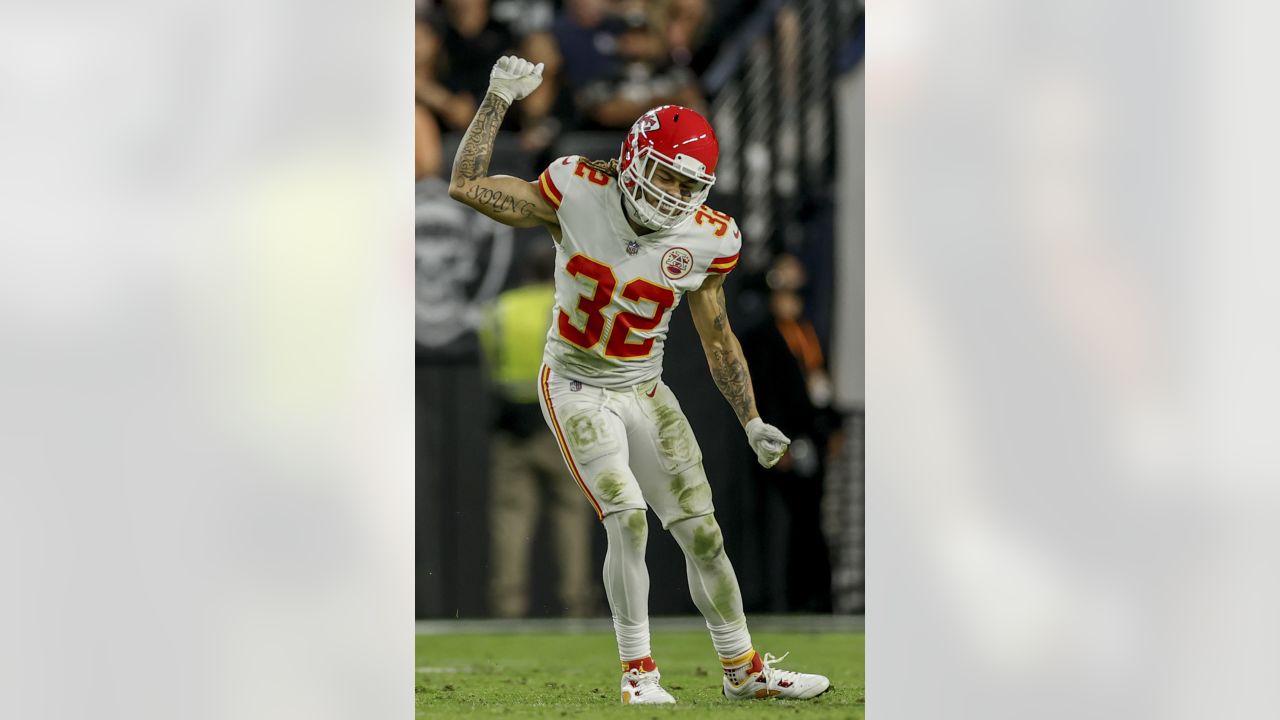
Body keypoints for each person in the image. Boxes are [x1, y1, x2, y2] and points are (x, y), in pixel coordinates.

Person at [447, 55, 832, 705]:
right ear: (630, 157)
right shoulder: (573, 188)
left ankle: (743, 670)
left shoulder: (710, 239)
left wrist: (750, 418)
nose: (670, 196)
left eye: (687, 186)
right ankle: (638, 674)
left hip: (647, 390)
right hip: (576, 383)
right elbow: (466, 184)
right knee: (626, 517)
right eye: (660, 175)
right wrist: (496, 99)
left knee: (703, 530)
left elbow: (718, 338)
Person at [478, 250, 596, 618]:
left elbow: (491, 366)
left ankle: (507, 605)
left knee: (510, 519)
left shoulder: (499, 310)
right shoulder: (568, 307)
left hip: (513, 428)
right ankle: (577, 602)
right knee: (572, 516)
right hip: (560, 427)